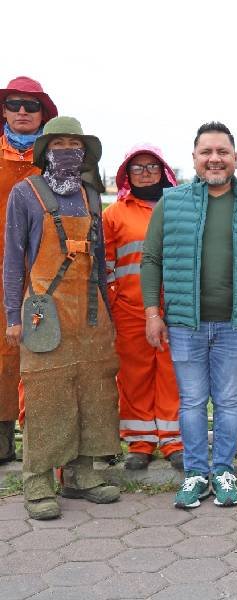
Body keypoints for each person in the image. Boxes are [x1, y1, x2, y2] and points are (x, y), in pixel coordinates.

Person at [141, 122, 237, 509]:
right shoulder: (172, 202)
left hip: (234, 325)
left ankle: (223, 471)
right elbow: (151, 260)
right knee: (191, 401)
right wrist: (153, 313)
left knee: (227, 400)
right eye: (207, 152)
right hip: (184, 324)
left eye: (222, 152)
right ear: (194, 158)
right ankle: (195, 473)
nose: (215, 159)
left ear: (235, 158)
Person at [4, 116, 119, 520]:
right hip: (45, 312)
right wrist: (12, 316)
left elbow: (99, 259)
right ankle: (37, 481)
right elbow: (13, 260)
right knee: (45, 396)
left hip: (90, 312)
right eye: (59, 144)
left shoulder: (91, 196)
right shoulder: (24, 193)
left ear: (84, 152)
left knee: (93, 392)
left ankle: (80, 474)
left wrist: (106, 313)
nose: (67, 150)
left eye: (74, 144)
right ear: (45, 150)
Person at [103, 145, 183, 471]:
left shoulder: (179, 208)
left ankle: (173, 441)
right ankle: (140, 442)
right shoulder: (114, 214)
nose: (146, 172)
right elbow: (106, 267)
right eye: (138, 167)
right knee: (134, 375)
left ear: (163, 171)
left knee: (172, 373)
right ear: (127, 174)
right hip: (130, 310)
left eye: (152, 166)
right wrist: (114, 306)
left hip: (173, 308)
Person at [0, 76, 58, 464]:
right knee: (3, 355)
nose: (22, 111)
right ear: (3, 111)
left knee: (46, 353)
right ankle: (4, 435)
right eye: (14, 104)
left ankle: (44, 441)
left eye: (31, 105)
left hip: (47, 274)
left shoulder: (56, 159)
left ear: (43, 114)